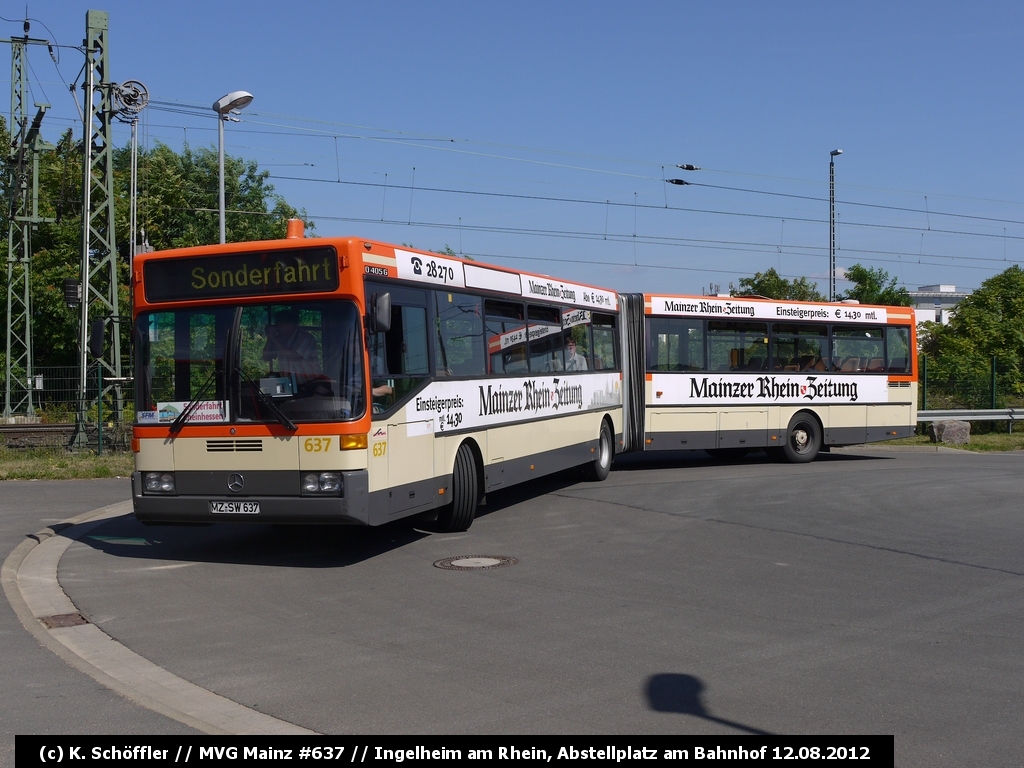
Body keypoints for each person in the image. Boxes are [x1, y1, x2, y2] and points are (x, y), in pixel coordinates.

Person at [263, 309, 322, 385]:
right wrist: (270, 339)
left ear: (290, 325)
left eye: (280, 325)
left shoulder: (306, 338)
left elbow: (294, 356)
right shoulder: (279, 339)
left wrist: (275, 338)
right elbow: (267, 357)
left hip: (311, 383)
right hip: (290, 384)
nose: (277, 328)